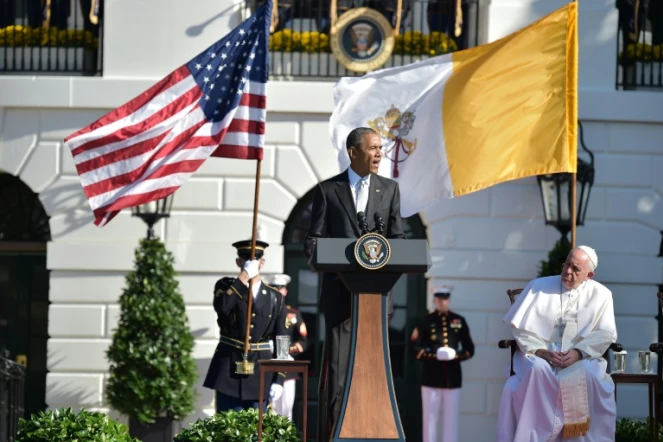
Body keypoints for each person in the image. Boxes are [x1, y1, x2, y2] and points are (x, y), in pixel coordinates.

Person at [304, 126, 406, 436]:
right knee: (338, 374)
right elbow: (312, 240)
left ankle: (374, 431)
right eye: (373, 148)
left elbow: (398, 237)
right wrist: (326, 258)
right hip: (340, 299)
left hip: (376, 302)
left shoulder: (389, 190)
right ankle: (337, 432)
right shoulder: (327, 190)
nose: (379, 154)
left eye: (380, 148)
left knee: (372, 374)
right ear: (353, 152)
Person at [497, 246, 618, 442]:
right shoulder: (538, 286)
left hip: (580, 356)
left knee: (587, 374)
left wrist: (579, 353)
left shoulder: (602, 295)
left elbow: (605, 333)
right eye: (567, 264)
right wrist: (541, 351)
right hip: (540, 353)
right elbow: (520, 328)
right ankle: (535, 436)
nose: (567, 271)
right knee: (537, 369)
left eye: (576, 269)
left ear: (589, 274)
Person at [203, 239, 288, 412]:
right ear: (238, 262)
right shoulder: (226, 287)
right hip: (228, 373)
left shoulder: (275, 298)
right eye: (245, 258)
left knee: (257, 434)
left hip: (261, 375)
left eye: (255, 258)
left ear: (262, 262)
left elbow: (282, 341)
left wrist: (279, 379)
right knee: (227, 432)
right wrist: (243, 277)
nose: (251, 262)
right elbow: (223, 307)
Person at [410, 285, 474, 442]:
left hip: (452, 378)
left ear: (449, 300)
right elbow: (415, 347)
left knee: (451, 419)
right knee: (430, 419)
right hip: (431, 377)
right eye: (439, 299)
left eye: (445, 299)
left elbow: (469, 349)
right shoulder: (426, 321)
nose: (443, 302)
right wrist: (434, 355)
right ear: (434, 300)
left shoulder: (459, 320)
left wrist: (455, 355)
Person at [268, 274, 309, 420]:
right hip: (266, 363)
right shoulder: (263, 311)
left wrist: (287, 350)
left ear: (285, 291)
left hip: (287, 368)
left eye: (281, 288)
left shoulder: (293, 314)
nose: (278, 291)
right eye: (274, 288)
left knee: (285, 412)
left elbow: (303, 340)